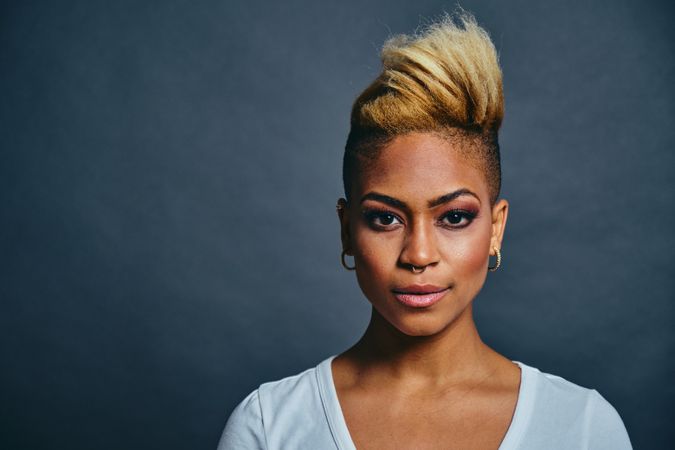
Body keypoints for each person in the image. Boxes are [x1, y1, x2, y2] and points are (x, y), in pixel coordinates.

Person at [217, 10, 632, 450]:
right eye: (385, 218)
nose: (418, 255)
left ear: (495, 228)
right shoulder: (269, 425)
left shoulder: (583, 427)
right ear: (346, 230)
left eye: (454, 217)